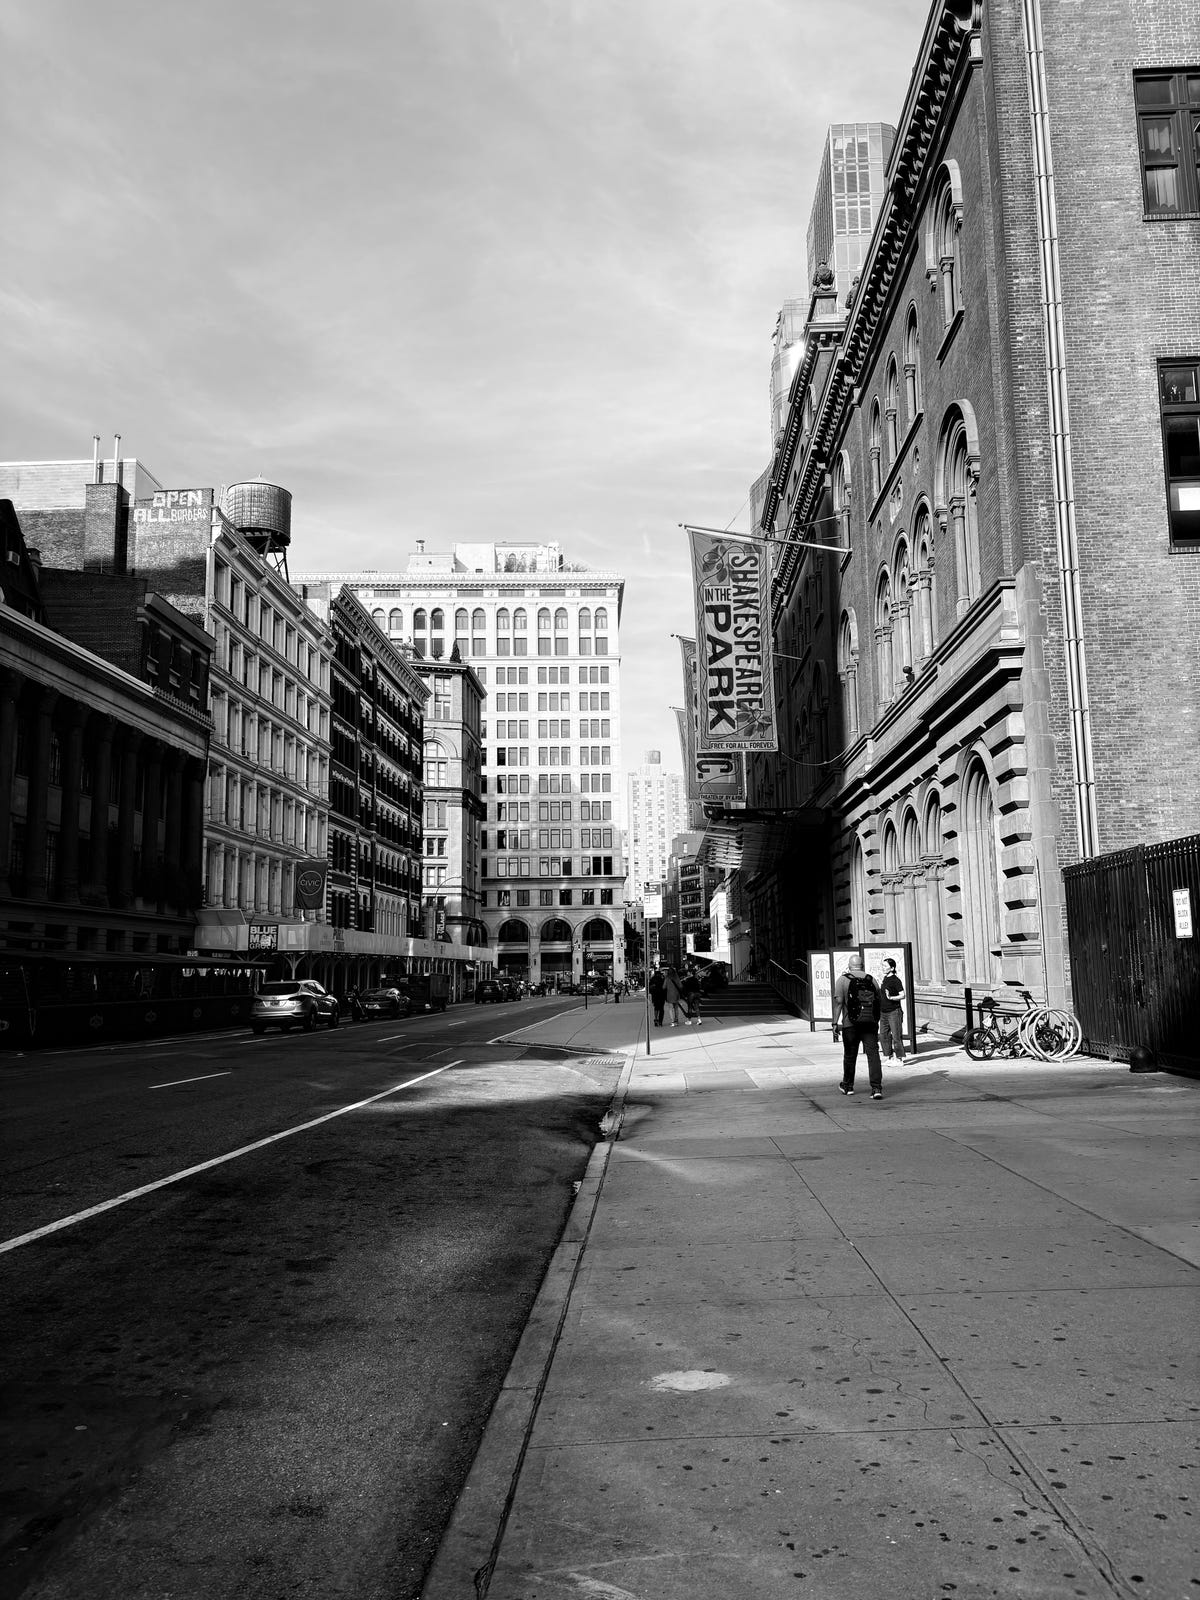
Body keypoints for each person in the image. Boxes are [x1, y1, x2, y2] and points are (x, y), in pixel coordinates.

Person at [832, 954, 883, 1099]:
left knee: (850, 1055)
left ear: (849, 966)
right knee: (873, 1055)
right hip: (870, 1024)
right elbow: (878, 1001)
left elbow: (839, 1003)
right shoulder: (871, 979)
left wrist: (835, 1022)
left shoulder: (843, 980)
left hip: (850, 1024)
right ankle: (876, 1088)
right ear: (862, 965)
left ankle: (848, 1086)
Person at [878, 957, 906, 1062]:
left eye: (885, 966)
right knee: (883, 1035)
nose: (883, 968)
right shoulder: (884, 978)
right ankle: (888, 1056)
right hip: (883, 1012)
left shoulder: (895, 980)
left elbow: (903, 995)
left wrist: (891, 998)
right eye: (882, 965)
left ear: (892, 968)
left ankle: (899, 1059)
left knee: (896, 1036)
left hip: (894, 1012)